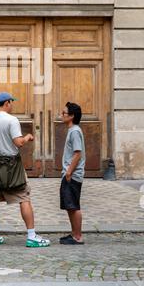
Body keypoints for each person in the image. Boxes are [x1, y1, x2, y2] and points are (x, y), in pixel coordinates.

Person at [0, 92, 50, 248]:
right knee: (24, 197)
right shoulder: (12, 120)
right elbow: (18, 142)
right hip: (11, 165)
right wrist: (27, 137)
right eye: (11, 102)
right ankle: (32, 235)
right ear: (7, 103)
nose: (12, 105)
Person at [59, 102, 86, 245]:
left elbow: (77, 154)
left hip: (72, 175)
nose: (61, 115)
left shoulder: (75, 131)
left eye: (64, 113)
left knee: (74, 205)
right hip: (69, 173)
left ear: (72, 116)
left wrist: (69, 172)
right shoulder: (72, 130)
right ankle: (74, 233)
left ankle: (78, 236)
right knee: (70, 205)